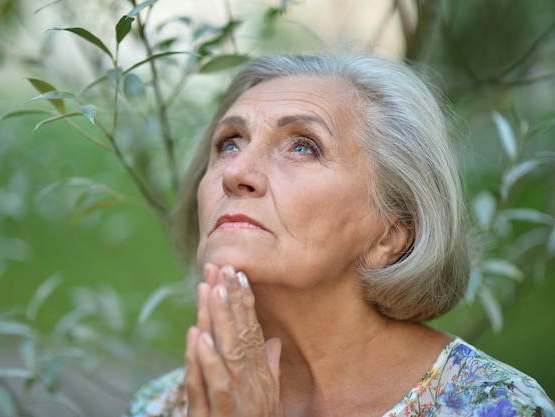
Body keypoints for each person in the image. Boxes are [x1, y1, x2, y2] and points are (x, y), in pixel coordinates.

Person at [123, 53, 555, 417]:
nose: (236, 173)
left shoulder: (495, 405)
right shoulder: (163, 405)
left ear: (391, 234)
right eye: (229, 143)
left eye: (303, 146)